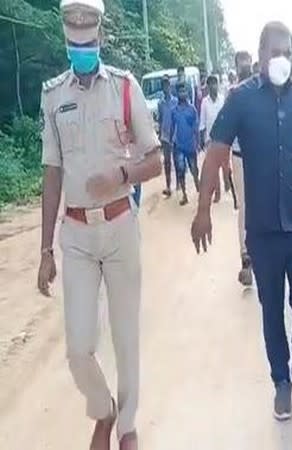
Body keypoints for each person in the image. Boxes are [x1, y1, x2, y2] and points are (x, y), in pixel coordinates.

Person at [190, 21, 292, 421]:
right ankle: (281, 383)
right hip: (262, 231)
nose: (282, 59)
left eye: (288, 52)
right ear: (259, 56)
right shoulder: (240, 101)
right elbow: (217, 152)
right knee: (271, 310)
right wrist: (203, 208)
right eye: (276, 52)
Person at [36, 1, 162, 449]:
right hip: (76, 237)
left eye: (88, 43)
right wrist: (45, 250)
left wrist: (121, 175)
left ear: (100, 39)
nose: (82, 50)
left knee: (126, 338)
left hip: (119, 225)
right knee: (78, 346)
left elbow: (155, 160)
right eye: (74, 44)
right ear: (66, 41)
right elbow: (51, 173)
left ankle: (125, 425)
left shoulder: (125, 89)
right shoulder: (53, 96)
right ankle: (102, 408)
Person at [229, 50, 255, 286]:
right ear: (237, 67)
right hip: (239, 157)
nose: (245, 66)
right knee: (245, 206)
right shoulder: (233, 94)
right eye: (241, 63)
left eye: (247, 62)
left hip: (260, 156)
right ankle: (245, 257)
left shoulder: (261, 91)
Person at [200, 75, 230, 203]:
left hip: (223, 137)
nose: (213, 86)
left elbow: (228, 118)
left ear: (218, 85)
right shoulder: (204, 102)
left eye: (215, 83)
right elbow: (202, 122)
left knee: (225, 165)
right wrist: (202, 139)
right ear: (207, 86)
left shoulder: (222, 100)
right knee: (214, 168)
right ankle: (217, 193)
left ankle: (227, 182)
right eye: (211, 84)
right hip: (210, 140)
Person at [171, 82, 200, 206]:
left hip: (190, 145)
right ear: (177, 94)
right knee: (181, 170)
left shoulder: (192, 109)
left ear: (187, 93)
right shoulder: (174, 111)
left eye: (184, 91)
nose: (182, 93)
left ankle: (199, 191)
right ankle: (184, 195)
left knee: (194, 170)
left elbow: (196, 128)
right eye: (180, 91)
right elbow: (172, 127)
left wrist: (198, 143)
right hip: (179, 145)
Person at [157, 75, 178, 197]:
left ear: (170, 86)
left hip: (175, 135)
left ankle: (180, 184)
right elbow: (160, 120)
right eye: (164, 86)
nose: (166, 88)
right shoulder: (161, 103)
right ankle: (168, 185)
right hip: (165, 136)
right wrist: (160, 136)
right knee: (167, 162)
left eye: (167, 85)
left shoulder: (175, 102)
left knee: (177, 160)